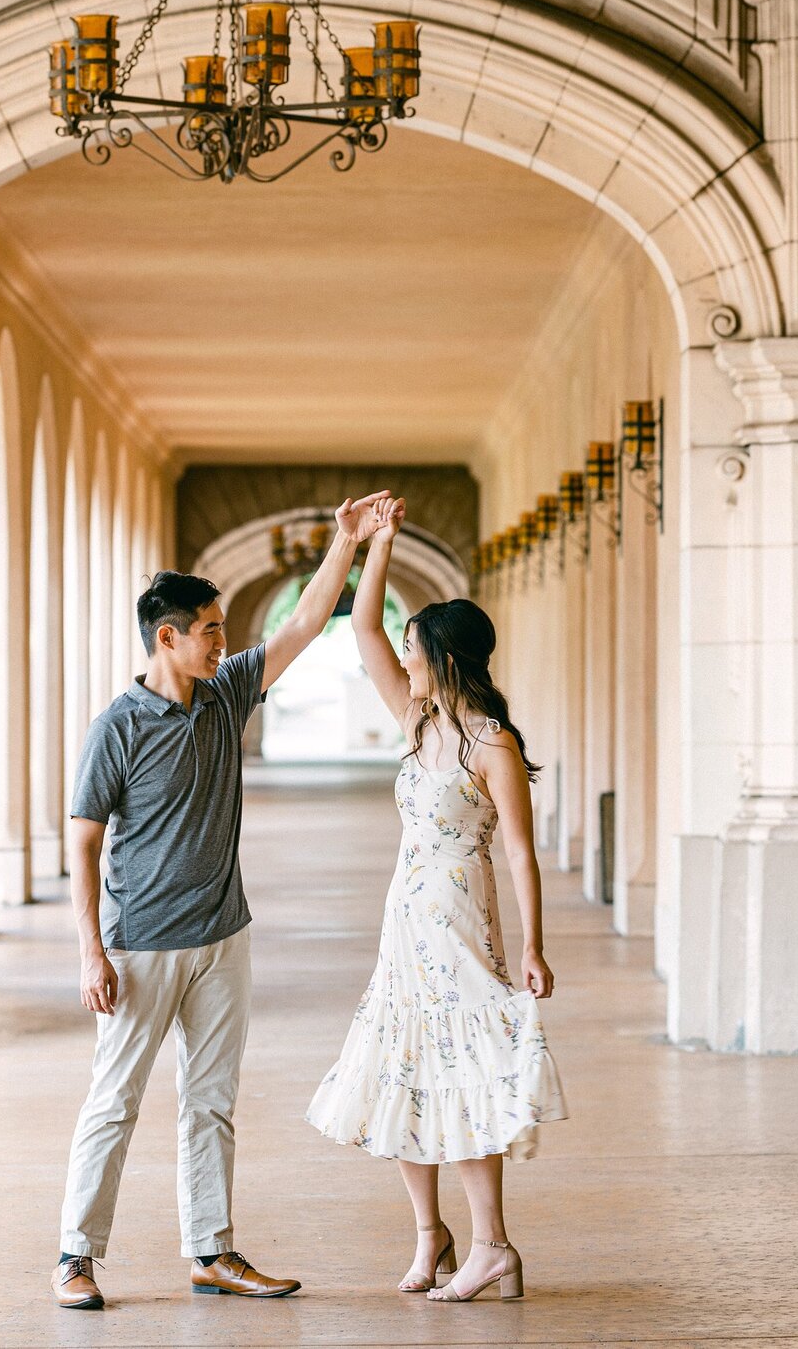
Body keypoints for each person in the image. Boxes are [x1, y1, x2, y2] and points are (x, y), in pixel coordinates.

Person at [52, 491, 393, 1310]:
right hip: (139, 945)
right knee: (115, 1103)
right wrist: (91, 950)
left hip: (222, 938)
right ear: (166, 637)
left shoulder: (228, 694)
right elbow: (83, 841)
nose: (223, 642)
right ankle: (74, 1256)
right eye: (210, 630)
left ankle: (212, 1249)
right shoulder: (118, 728)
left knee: (211, 1103)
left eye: (222, 632)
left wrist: (346, 543)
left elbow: (307, 626)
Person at [306, 496, 567, 1302]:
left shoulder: (493, 742)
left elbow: (521, 852)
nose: (406, 659)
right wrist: (379, 539)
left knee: (463, 1071)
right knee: (406, 1068)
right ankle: (432, 1238)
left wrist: (530, 946)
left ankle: (492, 1245)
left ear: (445, 657)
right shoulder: (417, 721)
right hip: (404, 924)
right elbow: (362, 629)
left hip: (461, 923)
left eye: (418, 650)